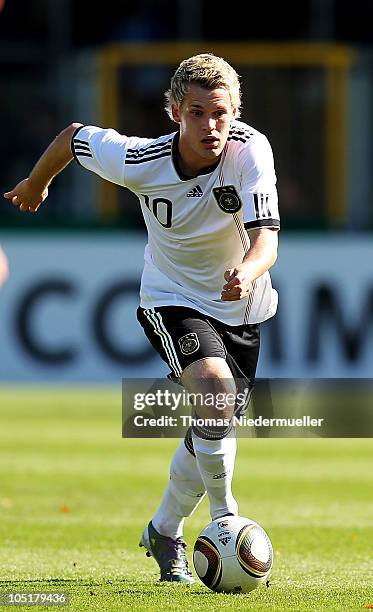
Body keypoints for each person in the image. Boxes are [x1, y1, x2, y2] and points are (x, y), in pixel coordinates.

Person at [4, 54, 280, 584]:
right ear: (175, 112)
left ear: (236, 110)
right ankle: (227, 519)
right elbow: (73, 137)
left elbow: (267, 236)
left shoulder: (251, 151)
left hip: (242, 301)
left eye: (220, 113)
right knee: (213, 389)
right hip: (171, 295)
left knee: (211, 427)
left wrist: (246, 271)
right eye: (197, 113)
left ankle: (163, 529)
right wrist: (38, 182)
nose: (211, 126)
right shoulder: (138, 159)